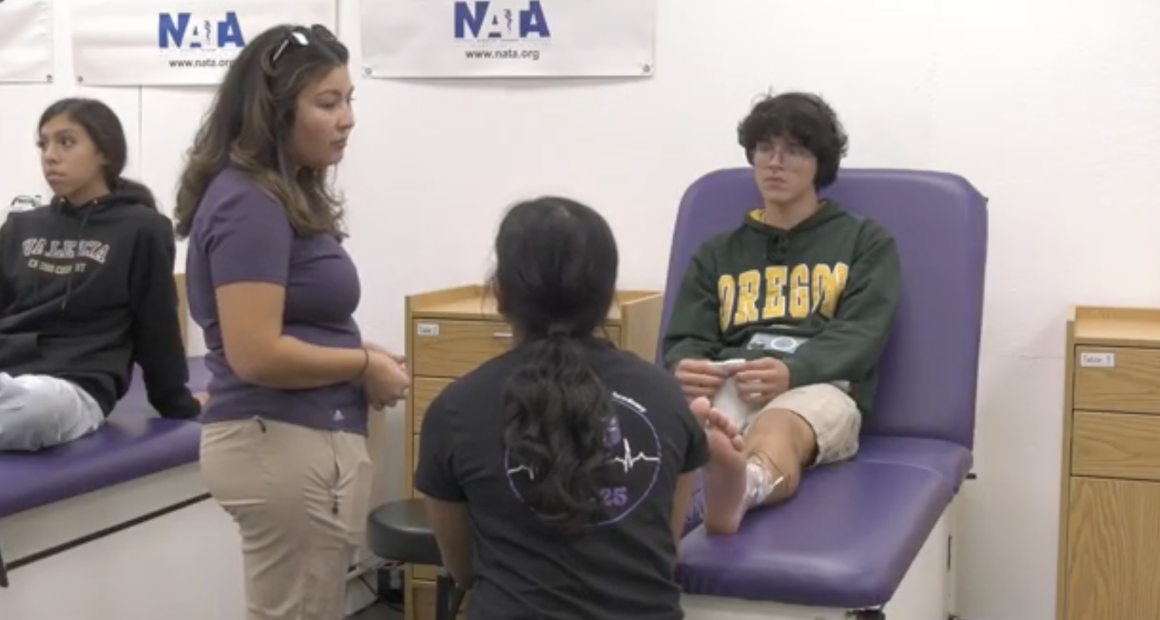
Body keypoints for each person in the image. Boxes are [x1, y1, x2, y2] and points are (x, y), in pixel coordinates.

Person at [173, 24, 410, 620]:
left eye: (349, 99)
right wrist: (362, 364)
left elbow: (288, 326)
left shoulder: (278, 195)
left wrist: (359, 353)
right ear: (274, 114)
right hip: (278, 439)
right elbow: (257, 352)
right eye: (327, 103)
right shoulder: (249, 201)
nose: (347, 118)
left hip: (297, 436)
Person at [415, 197, 712, 620]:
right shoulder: (666, 398)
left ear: (500, 294)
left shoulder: (455, 410)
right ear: (608, 295)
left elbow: (463, 570)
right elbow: (663, 550)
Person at [662, 92, 902, 535]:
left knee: (778, 424)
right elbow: (685, 337)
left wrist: (794, 370)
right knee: (680, 422)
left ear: (819, 164)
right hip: (732, 381)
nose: (775, 162)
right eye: (765, 148)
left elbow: (861, 335)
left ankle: (743, 487)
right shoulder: (717, 253)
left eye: (794, 150)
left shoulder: (865, 242)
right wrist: (687, 365)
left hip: (819, 387)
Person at [0, 98, 201, 452]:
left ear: (105, 153)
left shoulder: (142, 228)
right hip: (7, 380)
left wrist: (177, 403)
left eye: (66, 142)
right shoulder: (20, 226)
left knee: (37, 410)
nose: (50, 155)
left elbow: (156, 323)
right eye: (43, 144)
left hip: (71, 389)